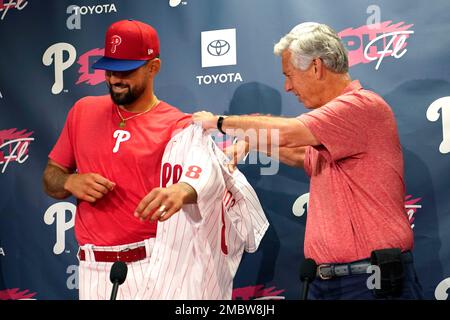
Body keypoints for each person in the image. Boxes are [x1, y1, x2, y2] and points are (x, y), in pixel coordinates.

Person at [194, 22, 423, 299]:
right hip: (327, 281)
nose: (287, 87)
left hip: (370, 282)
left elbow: (289, 135)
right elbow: (301, 155)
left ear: (316, 67)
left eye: (289, 75)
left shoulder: (361, 107)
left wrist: (218, 123)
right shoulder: (333, 131)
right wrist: (252, 141)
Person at [42, 19, 197, 299]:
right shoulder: (82, 111)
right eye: (109, 69)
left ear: (153, 68)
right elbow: (51, 177)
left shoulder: (179, 125)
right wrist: (69, 181)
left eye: (126, 71)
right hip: (92, 270)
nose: (114, 79)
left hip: (154, 266)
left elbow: (201, 190)